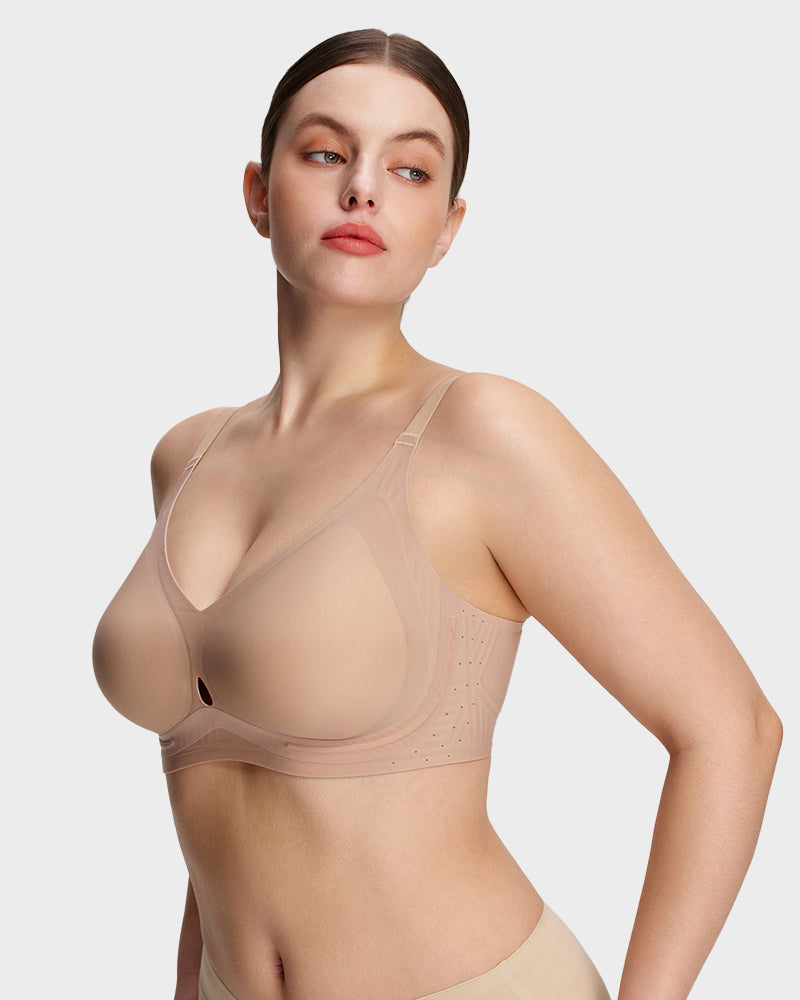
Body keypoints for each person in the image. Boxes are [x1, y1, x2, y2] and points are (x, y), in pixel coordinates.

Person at [93, 28, 782, 1000]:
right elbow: (223, 798)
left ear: (448, 227)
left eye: (409, 169)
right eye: (324, 152)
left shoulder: (482, 432)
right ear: (258, 193)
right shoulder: (188, 455)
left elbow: (732, 729)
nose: (362, 189)